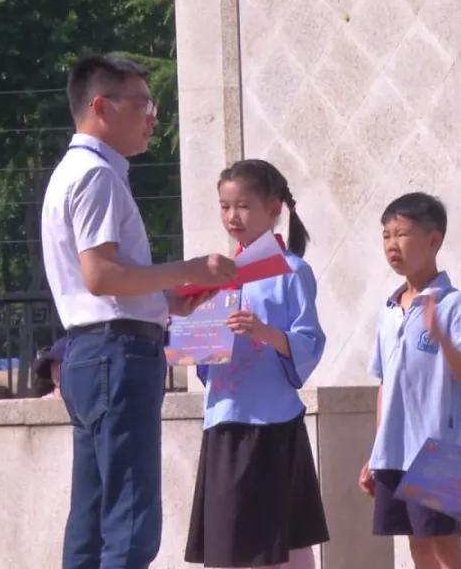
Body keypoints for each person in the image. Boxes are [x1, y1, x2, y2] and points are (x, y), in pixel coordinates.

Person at [41, 54, 236, 569]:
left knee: (91, 520)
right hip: (118, 354)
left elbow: (105, 282)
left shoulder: (73, 172)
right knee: (130, 522)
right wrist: (186, 267)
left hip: (91, 353)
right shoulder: (97, 176)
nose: (153, 116)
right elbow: (101, 275)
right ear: (102, 106)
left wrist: (166, 300)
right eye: (144, 104)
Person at [184, 159, 328, 569]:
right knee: (228, 544)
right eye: (225, 206)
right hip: (225, 417)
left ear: (273, 208)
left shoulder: (292, 272)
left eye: (243, 206)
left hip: (273, 423)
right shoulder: (214, 273)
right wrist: (192, 337)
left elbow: (310, 340)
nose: (233, 217)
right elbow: (203, 359)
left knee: (283, 540)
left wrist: (265, 333)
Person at [358, 192, 461, 569]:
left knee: (446, 546)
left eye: (401, 234)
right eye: (385, 235)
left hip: (438, 451)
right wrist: (377, 450)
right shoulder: (389, 310)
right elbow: (385, 383)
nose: (391, 245)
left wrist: (441, 335)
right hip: (395, 452)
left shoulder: (453, 305)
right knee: (417, 547)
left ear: (434, 240)